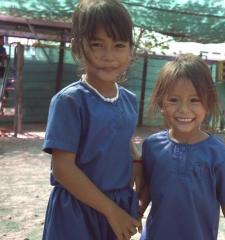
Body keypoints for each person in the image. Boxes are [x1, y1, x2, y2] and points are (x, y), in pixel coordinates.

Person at [42, 1, 143, 239]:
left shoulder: (128, 100)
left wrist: (139, 163)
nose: (109, 56)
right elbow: (63, 168)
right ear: (78, 46)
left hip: (118, 206)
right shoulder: (70, 101)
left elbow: (120, 139)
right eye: (98, 44)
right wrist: (111, 211)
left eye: (119, 45)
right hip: (77, 211)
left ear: (130, 50)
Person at [138, 54, 225, 240]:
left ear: (208, 103)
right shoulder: (152, 146)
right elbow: (147, 189)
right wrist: (134, 216)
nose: (184, 109)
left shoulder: (218, 154)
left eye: (194, 100)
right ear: (161, 102)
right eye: (174, 100)